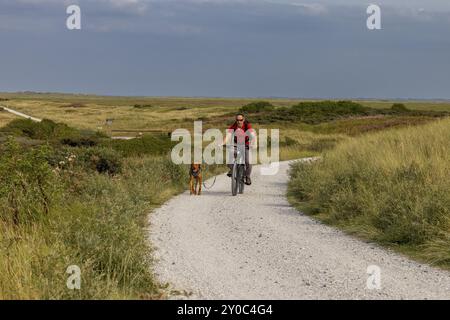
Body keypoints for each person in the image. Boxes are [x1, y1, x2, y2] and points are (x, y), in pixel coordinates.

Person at [222, 113, 255, 185]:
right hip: (236, 144)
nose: (239, 121)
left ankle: (247, 176)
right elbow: (228, 136)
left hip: (246, 145)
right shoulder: (234, 126)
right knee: (229, 158)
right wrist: (223, 143)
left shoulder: (247, 125)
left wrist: (252, 143)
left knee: (248, 161)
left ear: (244, 120)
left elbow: (252, 136)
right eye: (237, 120)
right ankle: (232, 169)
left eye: (241, 120)